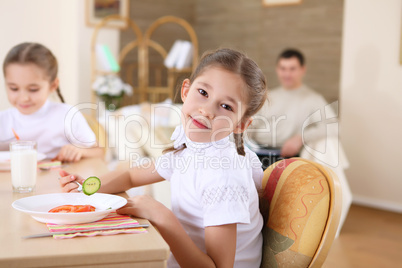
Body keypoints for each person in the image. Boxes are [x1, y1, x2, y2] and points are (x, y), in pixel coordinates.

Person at [60, 48, 268, 268]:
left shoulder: (222, 176)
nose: (207, 110)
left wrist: (162, 216)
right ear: (186, 91)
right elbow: (131, 176)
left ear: (241, 125)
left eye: (226, 106)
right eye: (203, 93)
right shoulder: (193, 149)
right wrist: (88, 187)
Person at [0, 42, 104, 162]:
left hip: (58, 179)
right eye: (14, 88)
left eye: (33, 89)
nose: (23, 98)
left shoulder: (66, 115)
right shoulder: (3, 120)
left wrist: (80, 151)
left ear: (53, 85)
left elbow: (99, 152)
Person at [247, 48, 334, 167]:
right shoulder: (267, 97)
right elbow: (249, 125)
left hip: (289, 159)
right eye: (283, 69)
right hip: (256, 155)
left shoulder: (313, 99)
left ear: (302, 70)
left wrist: (301, 138)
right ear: (277, 70)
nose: (287, 74)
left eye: (292, 69)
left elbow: (333, 126)